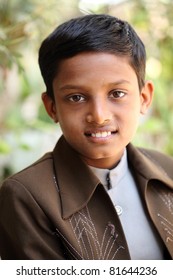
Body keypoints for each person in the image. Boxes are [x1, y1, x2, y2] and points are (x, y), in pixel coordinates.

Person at [0, 14, 173, 260]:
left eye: (117, 93)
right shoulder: (27, 196)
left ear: (144, 98)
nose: (99, 116)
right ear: (52, 108)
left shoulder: (167, 170)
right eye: (76, 97)